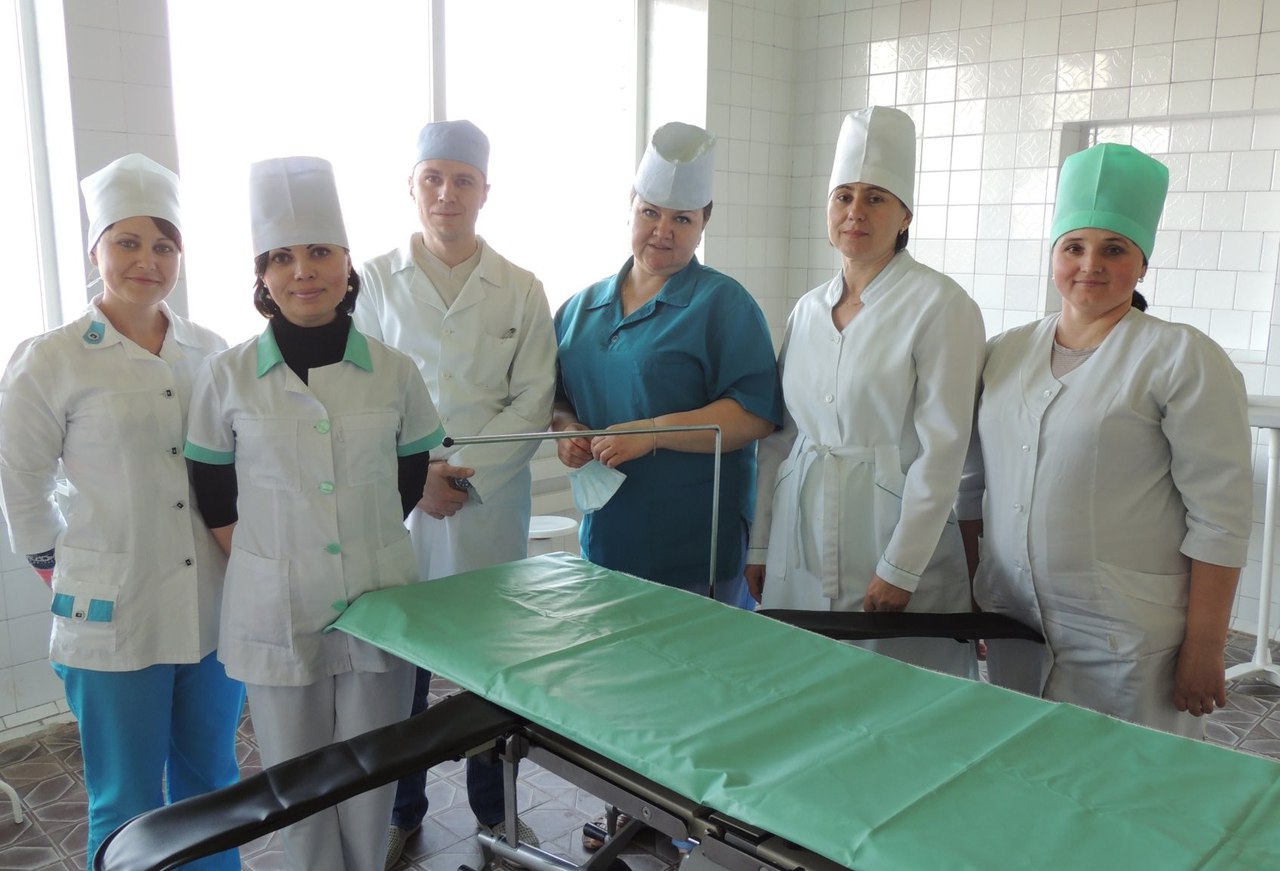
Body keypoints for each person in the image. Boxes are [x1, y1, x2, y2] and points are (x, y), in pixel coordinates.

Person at [184, 156, 443, 870]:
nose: (304, 271)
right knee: (293, 783)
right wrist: (274, 557)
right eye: (282, 257)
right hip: (274, 603)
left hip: (377, 596)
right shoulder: (227, 374)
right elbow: (212, 487)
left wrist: (356, 542)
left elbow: (409, 476)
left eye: (321, 252)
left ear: (347, 263)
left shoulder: (394, 370)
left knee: (371, 772)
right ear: (262, 275)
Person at [957, 142, 1253, 738]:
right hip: (1016, 619)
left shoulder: (1181, 356)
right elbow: (971, 487)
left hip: (1128, 632)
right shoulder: (1004, 352)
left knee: (1130, 778)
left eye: (1114, 249)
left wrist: (1205, 646)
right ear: (1053, 256)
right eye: (1074, 247)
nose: (1090, 263)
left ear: (1142, 265)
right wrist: (971, 595)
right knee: (1024, 765)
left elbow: (1220, 517)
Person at [0, 154, 243, 867]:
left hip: (210, 603)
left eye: (164, 245)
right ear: (95, 251)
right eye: (128, 242)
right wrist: (55, 566)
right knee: (126, 798)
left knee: (212, 782)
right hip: (111, 610)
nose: (148, 260)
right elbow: (20, 480)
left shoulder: (210, 350)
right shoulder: (52, 359)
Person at [355, 119, 555, 868]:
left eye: (462, 179)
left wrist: (458, 471)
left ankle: (496, 811)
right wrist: (417, 477)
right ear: (410, 187)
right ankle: (400, 811)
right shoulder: (372, 282)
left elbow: (533, 399)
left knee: (488, 668)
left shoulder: (522, 288)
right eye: (432, 178)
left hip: (487, 507)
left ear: (485, 191)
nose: (447, 193)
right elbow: (358, 398)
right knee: (398, 669)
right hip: (399, 506)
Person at [746, 107, 984, 679]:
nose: (855, 211)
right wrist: (761, 544)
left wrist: (902, 566)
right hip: (800, 535)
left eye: (876, 198)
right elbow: (781, 438)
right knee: (801, 683)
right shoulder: (808, 310)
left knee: (894, 690)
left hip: (888, 533)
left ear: (905, 216)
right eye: (843, 196)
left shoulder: (941, 305)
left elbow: (944, 451)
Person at [553, 121, 782, 606]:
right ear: (630, 207)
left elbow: (755, 415)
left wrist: (652, 433)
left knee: (698, 652)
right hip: (609, 535)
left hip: (696, 541)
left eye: (682, 219)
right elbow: (556, 396)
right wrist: (566, 430)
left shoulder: (723, 304)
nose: (662, 232)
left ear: (703, 224)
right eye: (650, 212)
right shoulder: (579, 309)